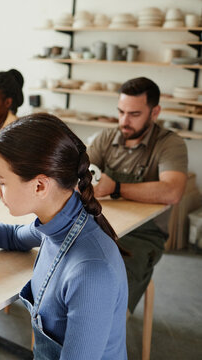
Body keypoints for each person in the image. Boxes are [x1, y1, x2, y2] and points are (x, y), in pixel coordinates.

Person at [0, 113, 128, 359]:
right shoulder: (62, 219)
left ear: (40, 185)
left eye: (1, 181)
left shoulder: (91, 271)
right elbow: (15, 237)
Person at [87, 77, 188, 314]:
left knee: (110, 277)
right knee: (65, 261)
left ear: (155, 112)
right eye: (121, 112)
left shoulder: (169, 144)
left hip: (144, 235)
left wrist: (116, 188)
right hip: (103, 224)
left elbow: (173, 191)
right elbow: (79, 174)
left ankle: (104, 334)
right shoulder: (106, 138)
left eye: (134, 114)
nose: (124, 121)